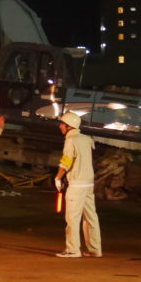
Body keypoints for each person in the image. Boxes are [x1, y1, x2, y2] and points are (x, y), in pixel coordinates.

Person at [55, 111, 101, 259]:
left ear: (69, 126)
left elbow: (67, 161)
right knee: (91, 218)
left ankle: (73, 250)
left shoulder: (71, 140)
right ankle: (95, 249)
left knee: (72, 219)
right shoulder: (86, 139)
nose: (60, 126)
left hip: (76, 185)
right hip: (88, 184)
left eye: (62, 124)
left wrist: (58, 177)